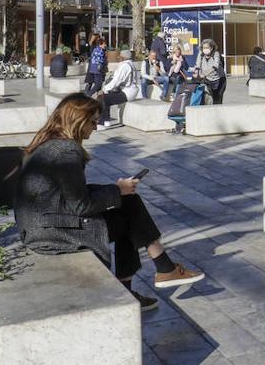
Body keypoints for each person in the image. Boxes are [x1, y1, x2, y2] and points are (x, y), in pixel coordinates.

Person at [14, 94, 204, 311]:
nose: (94, 128)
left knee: (125, 203)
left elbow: (68, 195)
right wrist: (117, 191)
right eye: (92, 121)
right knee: (128, 212)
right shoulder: (67, 150)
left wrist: (117, 191)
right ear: (78, 119)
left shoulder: (47, 143)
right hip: (52, 233)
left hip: (39, 226)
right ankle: (158, 271)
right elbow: (81, 205)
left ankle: (160, 270)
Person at [97, 58, 141, 128]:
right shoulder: (130, 64)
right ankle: (106, 121)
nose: (118, 57)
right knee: (106, 97)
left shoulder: (125, 66)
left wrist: (104, 89)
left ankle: (102, 123)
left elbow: (117, 81)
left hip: (127, 92)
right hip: (129, 91)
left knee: (102, 98)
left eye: (120, 56)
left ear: (123, 57)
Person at [194, 39, 226, 104]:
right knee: (207, 99)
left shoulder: (216, 54)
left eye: (207, 47)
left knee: (217, 101)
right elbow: (198, 64)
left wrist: (204, 73)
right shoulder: (201, 54)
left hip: (219, 80)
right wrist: (197, 73)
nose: (205, 49)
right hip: (207, 80)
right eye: (204, 48)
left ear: (211, 48)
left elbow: (215, 66)